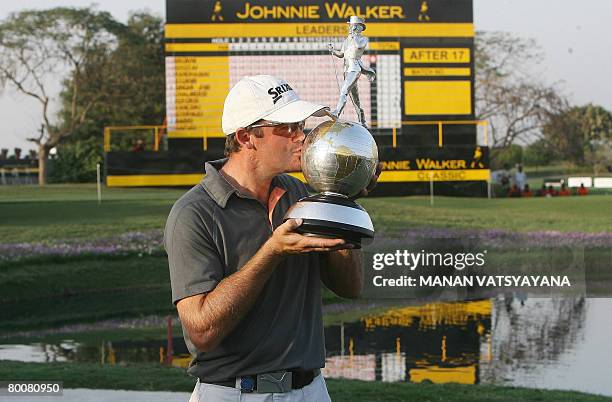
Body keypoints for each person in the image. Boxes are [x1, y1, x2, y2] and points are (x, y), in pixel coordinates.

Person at [164, 75, 372, 401]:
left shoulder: (301, 194)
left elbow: (350, 287)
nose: (301, 136)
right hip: (234, 393)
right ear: (247, 137)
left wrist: (341, 200)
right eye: (287, 128)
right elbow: (202, 330)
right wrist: (272, 251)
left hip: (311, 390)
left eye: (301, 125)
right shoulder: (193, 214)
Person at [328, 16, 376, 125]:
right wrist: (333, 50)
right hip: (346, 69)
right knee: (355, 100)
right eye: (351, 26)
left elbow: (359, 46)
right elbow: (341, 54)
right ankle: (362, 120)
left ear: (359, 28)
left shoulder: (362, 39)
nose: (351, 28)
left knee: (344, 90)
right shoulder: (347, 40)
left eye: (354, 26)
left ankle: (337, 112)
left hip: (355, 68)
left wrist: (353, 36)